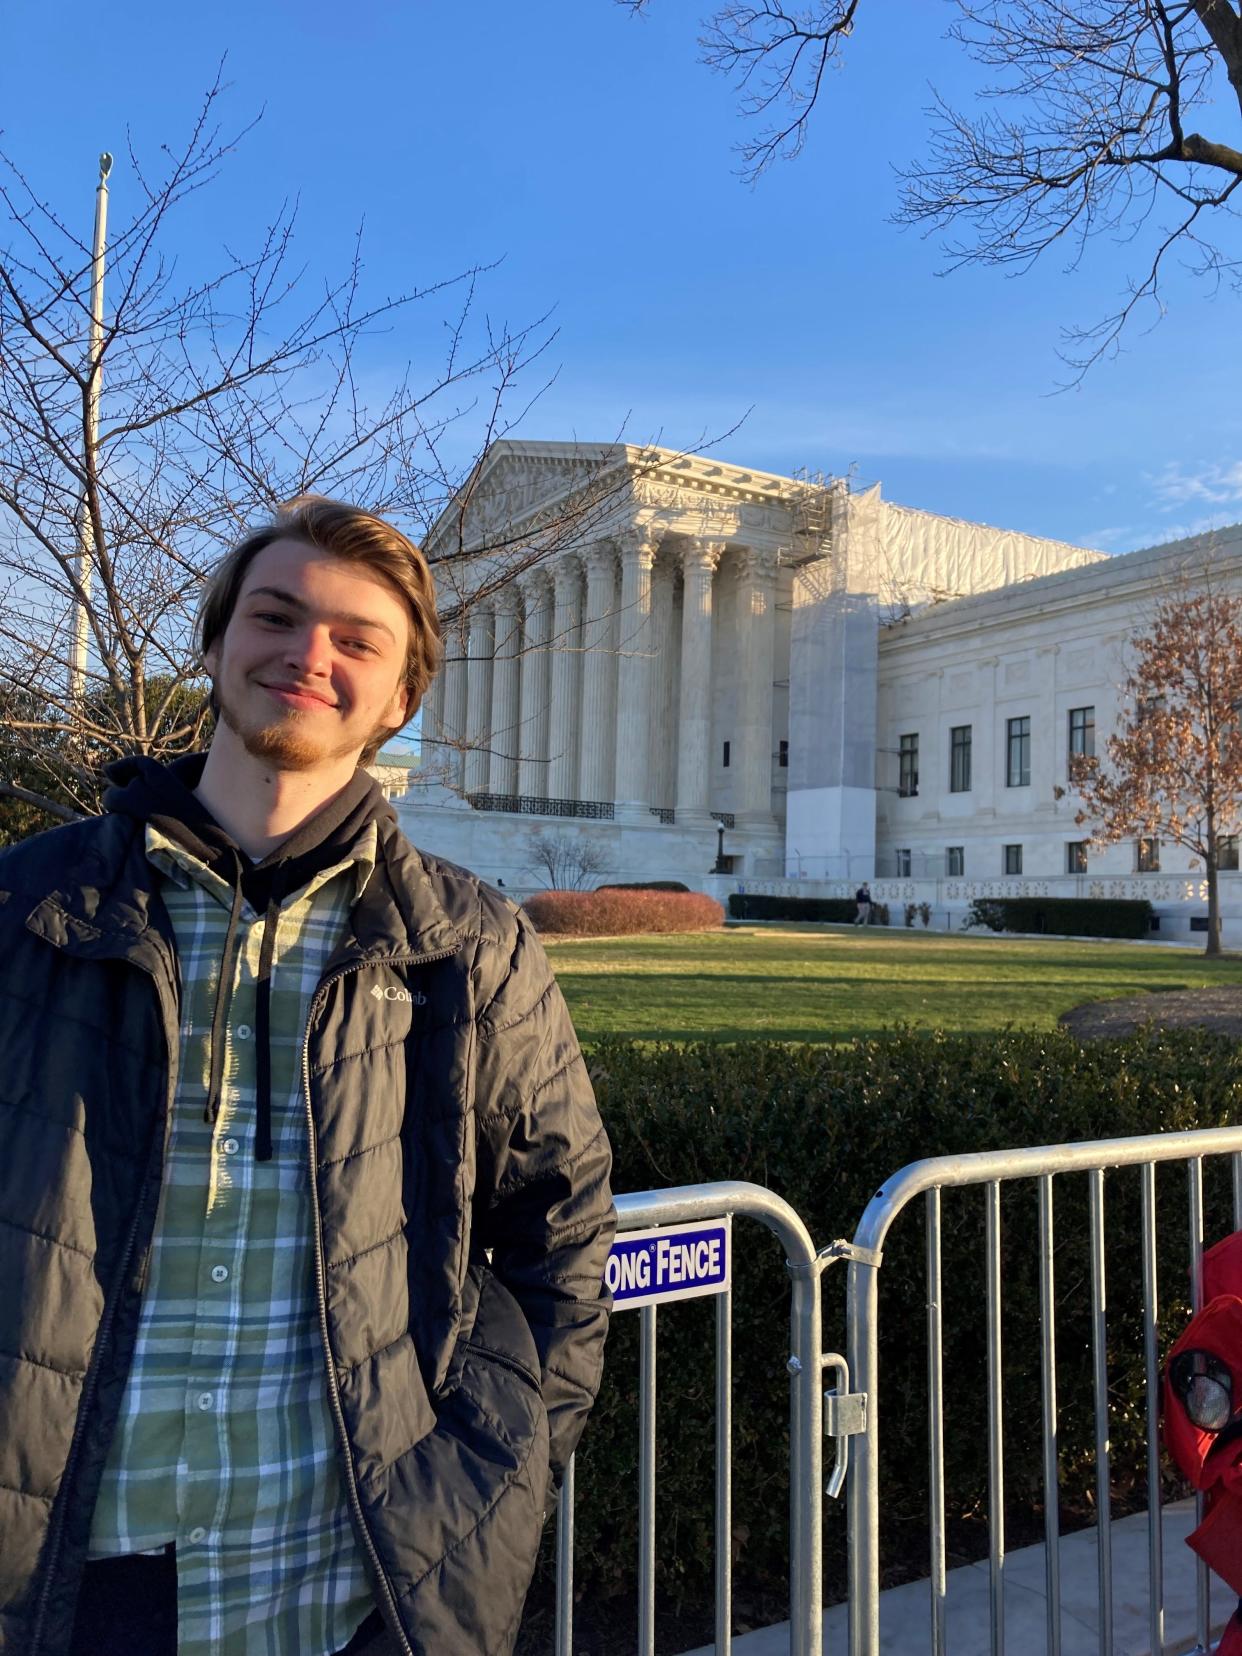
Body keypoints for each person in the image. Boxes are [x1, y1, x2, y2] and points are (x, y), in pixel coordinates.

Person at [0, 498, 615, 1656]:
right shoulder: (27, 908)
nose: (308, 655)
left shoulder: (471, 945)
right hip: (58, 1580)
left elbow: (561, 1236)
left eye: (357, 641)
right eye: (276, 616)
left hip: (352, 1586)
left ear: (401, 701)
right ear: (219, 644)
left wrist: (490, 1472)